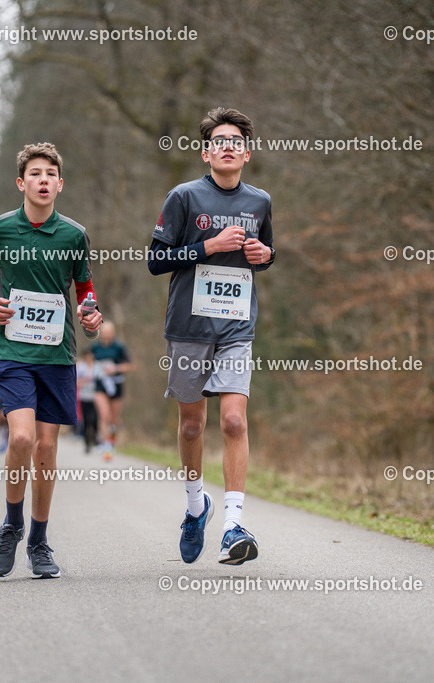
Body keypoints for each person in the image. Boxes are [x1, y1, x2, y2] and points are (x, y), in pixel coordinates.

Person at [0, 142, 102, 579]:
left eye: (51, 174)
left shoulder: (74, 235)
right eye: (35, 173)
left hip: (58, 355)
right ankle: (11, 525)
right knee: (21, 440)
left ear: (60, 185)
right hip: (13, 353)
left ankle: (40, 542)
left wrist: (91, 312)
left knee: (46, 447)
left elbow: (84, 287)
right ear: (21, 183)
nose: (43, 180)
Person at [148, 107, 275, 565]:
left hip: (237, 327)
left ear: (246, 153)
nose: (227, 146)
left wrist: (264, 254)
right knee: (192, 424)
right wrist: (208, 247)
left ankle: (233, 526)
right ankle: (196, 507)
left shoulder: (259, 201)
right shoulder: (183, 197)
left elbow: (265, 254)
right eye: (219, 140)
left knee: (234, 421)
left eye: (236, 141)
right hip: (188, 327)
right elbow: (156, 261)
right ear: (206, 153)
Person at [91, 321, 133, 449]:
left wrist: (115, 368)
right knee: (104, 415)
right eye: (104, 332)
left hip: (116, 384)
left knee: (114, 418)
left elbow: (130, 365)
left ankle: (112, 441)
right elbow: (88, 363)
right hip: (100, 384)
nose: (106, 334)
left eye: (109, 332)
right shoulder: (94, 347)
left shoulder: (119, 347)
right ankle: (104, 442)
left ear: (113, 333)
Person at [75, 348, 98, 454]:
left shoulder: (97, 366)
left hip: (96, 397)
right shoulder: (80, 366)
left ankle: (95, 440)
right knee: (86, 420)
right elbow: (76, 382)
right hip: (84, 397)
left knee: (94, 420)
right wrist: (85, 381)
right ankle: (86, 442)